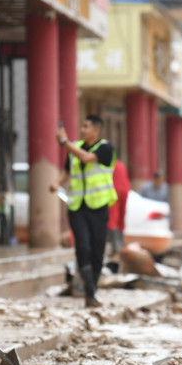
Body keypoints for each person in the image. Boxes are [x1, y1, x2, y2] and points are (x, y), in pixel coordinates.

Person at [52, 115, 117, 307]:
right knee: (82, 247)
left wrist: (65, 142)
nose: (82, 129)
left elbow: (87, 158)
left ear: (96, 130)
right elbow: (67, 171)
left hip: (98, 207)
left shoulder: (106, 148)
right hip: (77, 206)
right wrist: (56, 183)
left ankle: (92, 291)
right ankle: (89, 290)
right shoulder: (75, 148)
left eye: (86, 126)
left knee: (97, 251)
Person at [108, 158, 130, 254]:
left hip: (114, 191)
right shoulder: (121, 165)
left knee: (113, 218)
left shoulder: (110, 165)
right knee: (121, 217)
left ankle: (116, 247)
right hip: (124, 191)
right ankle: (120, 245)